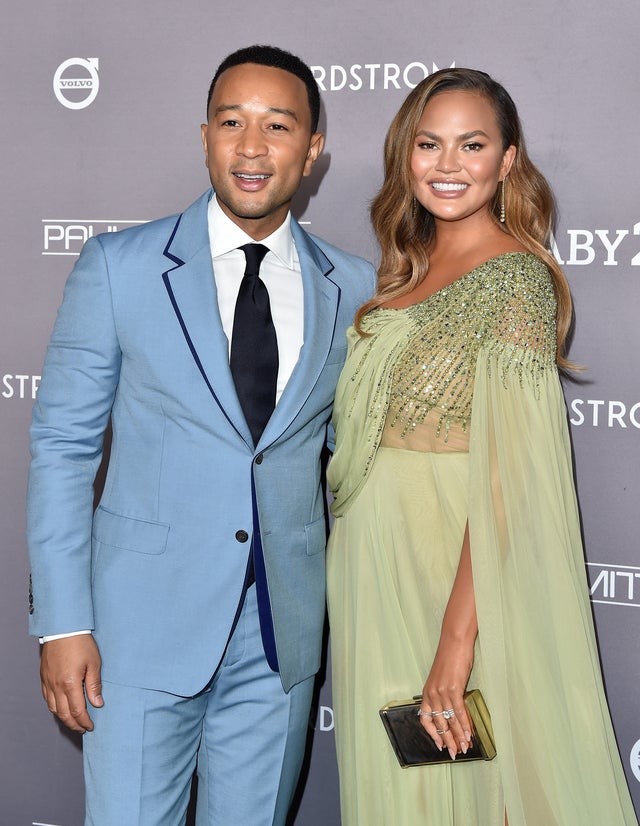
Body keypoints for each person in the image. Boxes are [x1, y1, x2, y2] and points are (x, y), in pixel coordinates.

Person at [27, 44, 375, 825]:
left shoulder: (352, 287)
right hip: (134, 635)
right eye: (232, 123)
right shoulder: (120, 266)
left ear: (312, 149)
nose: (251, 148)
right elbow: (62, 449)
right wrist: (63, 621)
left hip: (279, 643)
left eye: (278, 126)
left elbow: (351, 459)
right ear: (205, 135)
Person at [326, 68, 637, 825]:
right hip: (370, 559)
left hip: (454, 572)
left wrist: (456, 644)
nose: (448, 163)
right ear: (406, 155)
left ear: (507, 162)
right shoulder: (400, 274)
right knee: (402, 788)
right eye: (429, 144)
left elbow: (509, 483)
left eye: (472, 144)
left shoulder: (517, 282)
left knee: (466, 788)